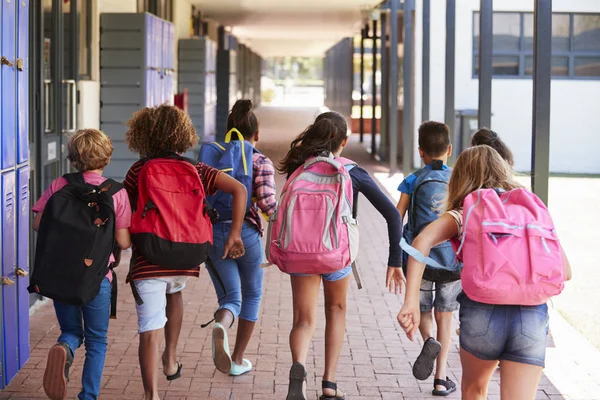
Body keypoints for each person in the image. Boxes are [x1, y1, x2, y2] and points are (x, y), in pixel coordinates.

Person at [398, 146, 572, 400]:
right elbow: (565, 271)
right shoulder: (529, 210)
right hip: (531, 315)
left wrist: (411, 300)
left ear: (460, 177)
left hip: (483, 312)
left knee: (474, 391)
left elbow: (422, 241)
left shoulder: (465, 211)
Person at [123, 104, 247, 400]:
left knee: (149, 325)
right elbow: (240, 190)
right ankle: (171, 359)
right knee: (174, 292)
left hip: (149, 257)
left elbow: (125, 213)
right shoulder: (197, 169)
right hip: (187, 255)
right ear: (183, 134)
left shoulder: (138, 171)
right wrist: (234, 234)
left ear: (144, 135)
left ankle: (151, 394)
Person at [278, 111, 404, 400]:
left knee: (303, 320)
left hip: (300, 254)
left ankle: (298, 367)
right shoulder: (351, 171)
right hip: (336, 254)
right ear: (344, 141)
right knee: (336, 311)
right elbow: (393, 216)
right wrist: (394, 260)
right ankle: (329, 385)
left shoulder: (300, 168)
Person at [33, 129, 132, 400]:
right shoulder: (116, 192)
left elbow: (38, 224)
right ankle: (88, 396)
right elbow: (123, 242)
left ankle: (65, 347)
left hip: (61, 274)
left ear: (73, 159)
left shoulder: (59, 185)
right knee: (97, 340)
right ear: (107, 157)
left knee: (71, 330)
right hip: (97, 278)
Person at [202, 100, 277, 376]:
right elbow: (268, 205)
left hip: (214, 233)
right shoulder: (260, 160)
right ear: (256, 135)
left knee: (232, 298)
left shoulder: (211, 160)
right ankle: (236, 359)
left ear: (227, 131)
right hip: (246, 233)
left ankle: (222, 323)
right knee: (252, 294)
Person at [396, 121, 459, 396]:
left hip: (419, 260)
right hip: (451, 262)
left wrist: (395, 253)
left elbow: (396, 217)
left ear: (420, 151)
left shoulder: (413, 179)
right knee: (445, 316)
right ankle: (441, 379)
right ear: (450, 149)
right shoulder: (458, 179)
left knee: (423, 312)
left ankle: (428, 340)